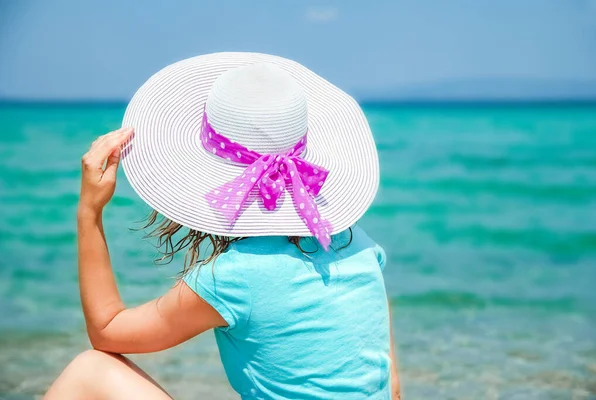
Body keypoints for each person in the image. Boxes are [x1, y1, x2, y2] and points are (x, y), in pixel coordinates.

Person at [44, 53, 401, 399]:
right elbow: (390, 387)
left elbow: (106, 331)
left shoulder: (234, 276)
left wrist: (89, 211)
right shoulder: (363, 249)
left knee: (91, 370)